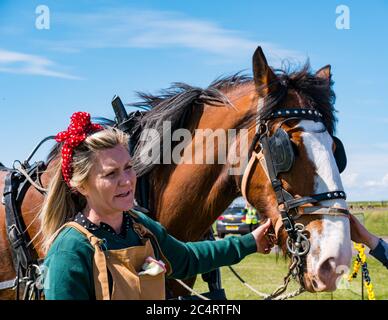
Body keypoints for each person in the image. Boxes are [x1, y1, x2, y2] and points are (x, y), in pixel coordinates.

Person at [41, 112, 274, 300]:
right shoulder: (69, 250)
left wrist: (251, 242)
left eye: (129, 167)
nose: (127, 180)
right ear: (81, 185)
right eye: (111, 174)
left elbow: (188, 258)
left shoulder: (140, 227)